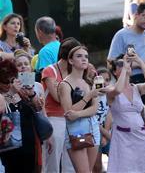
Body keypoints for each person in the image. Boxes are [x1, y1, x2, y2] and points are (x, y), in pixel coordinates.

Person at [106, 51, 145, 173]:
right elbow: (118, 89)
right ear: (115, 71)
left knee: (141, 169)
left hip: (140, 136)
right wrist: (124, 69)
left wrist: (139, 61)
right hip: (122, 137)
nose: (126, 66)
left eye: (127, 64)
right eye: (121, 65)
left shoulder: (136, 88)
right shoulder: (111, 89)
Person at [58, 45, 103, 173]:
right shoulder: (64, 84)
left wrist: (78, 114)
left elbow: (94, 109)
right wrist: (89, 95)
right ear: (71, 61)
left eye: (86, 57)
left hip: (93, 127)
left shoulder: (89, 82)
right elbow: (68, 112)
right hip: (75, 129)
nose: (84, 59)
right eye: (79, 56)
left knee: (90, 170)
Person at [0, 55, 46, 172]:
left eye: (12, 78)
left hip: (29, 143)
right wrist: (11, 92)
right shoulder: (5, 93)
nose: (10, 82)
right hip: (10, 145)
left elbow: (37, 109)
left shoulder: (21, 90)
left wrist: (31, 94)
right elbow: (2, 108)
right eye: (6, 79)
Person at [42, 36, 80, 173]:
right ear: (71, 57)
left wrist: (63, 89)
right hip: (54, 119)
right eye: (78, 55)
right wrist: (72, 93)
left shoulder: (75, 72)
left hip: (72, 118)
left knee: (71, 162)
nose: (81, 59)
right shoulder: (49, 70)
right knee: (52, 159)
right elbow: (58, 98)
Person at [108, 2, 145, 109]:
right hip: (127, 84)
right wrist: (139, 64)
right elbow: (111, 62)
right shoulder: (121, 35)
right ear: (136, 15)